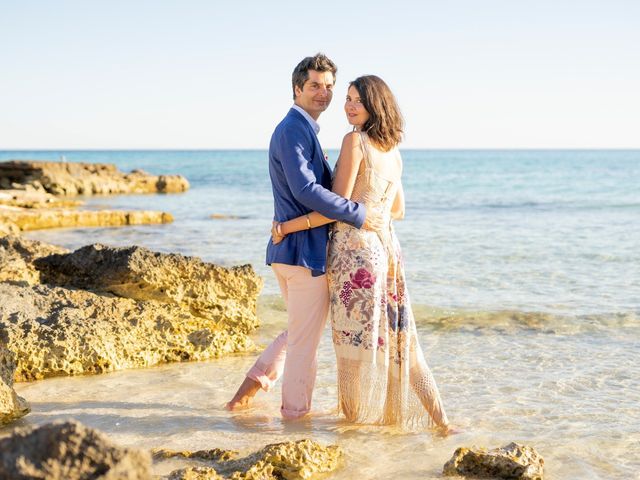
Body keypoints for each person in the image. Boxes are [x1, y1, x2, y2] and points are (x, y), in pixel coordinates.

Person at [270, 75, 452, 432]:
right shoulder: (393, 152)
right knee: (402, 339)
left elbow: (336, 207)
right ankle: (441, 421)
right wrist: (375, 213)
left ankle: (353, 430)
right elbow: (398, 209)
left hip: (353, 256)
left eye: (358, 100)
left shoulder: (355, 142)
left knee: (352, 348)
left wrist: (286, 227)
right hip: (387, 249)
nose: (349, 106)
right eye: (348, 98)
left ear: (375, 106)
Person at [226, 54, 382, 419]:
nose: (323, 94)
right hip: (301, 256)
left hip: (290, 251)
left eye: (329, 87)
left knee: (298, 333)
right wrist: (359, 214)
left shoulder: (302, 128)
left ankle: (242, 397)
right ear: (297, 88)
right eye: (314, 85)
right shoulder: (294, 128)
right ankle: (295, 418)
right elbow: (305, 190)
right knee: (302, 344)